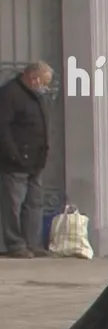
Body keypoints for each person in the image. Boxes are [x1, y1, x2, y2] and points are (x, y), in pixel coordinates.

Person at [0, 61, 53, 258]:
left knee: (34, 202)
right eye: (44, 82)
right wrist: (14, 154)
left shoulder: (36, 97)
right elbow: (3, 128)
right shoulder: (10, 94)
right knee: (13, 203)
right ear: (33, 78)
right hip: (16, 161)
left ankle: (33, 243)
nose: (45, 87)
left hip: (36, 160)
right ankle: (15, 244)